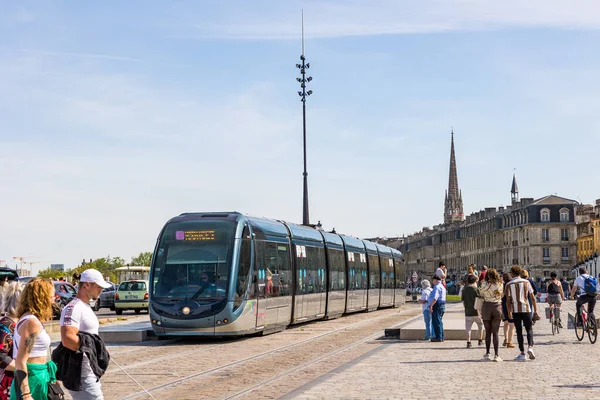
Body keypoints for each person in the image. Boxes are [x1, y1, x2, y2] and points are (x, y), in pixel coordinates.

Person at [54, 269, 111, 399]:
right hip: (81, 374)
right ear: (86, 284)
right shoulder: (73, 308)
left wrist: (100, 351)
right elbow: (67, 339)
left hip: (88, 372)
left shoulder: (85, 307)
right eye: (98, 287)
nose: (101, 290)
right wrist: (95, 349)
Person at [11, 278, 57, 400]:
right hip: (33, 378)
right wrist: (26, 394)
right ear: (42, 297)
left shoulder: (28, 318)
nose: (54, 299)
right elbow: (21, 361)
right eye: (51, 295)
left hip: (37, 375)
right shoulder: (32, 322)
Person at [506, 265, 539, 361]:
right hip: (526, 308)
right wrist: (536, 310)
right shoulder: (526, 282)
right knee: (529, 329)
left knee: (519, 331)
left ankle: (522, 353)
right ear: (520, 273)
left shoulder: (509, 284)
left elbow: (508, 300)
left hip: (516, 310)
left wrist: (509, 311)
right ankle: (530, 347)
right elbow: (532, 297)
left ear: (512, 273)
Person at [0, 282, 23, 400]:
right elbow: (1, 356)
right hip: (8, 384)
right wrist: (23, 369)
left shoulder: (18, 323)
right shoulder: (6, 324)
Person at [479, 268, 504, 361]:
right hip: (497, 307)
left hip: (487, 307)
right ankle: (497, 355)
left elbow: (481, 293)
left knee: (488, 332)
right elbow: (501, 295)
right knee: (496, 333)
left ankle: (488, 353)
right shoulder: (500, 284)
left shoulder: (484, 284)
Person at [461, 274, 483, 348]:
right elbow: (480, 301)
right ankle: (480, 340)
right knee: (480, 326)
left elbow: (463, 301)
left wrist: (466, 308)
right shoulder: (477, 290)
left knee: (468, 328)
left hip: (468, 312)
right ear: (475, 281)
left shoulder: (464, 290)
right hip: (477, 312)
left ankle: (468, 342)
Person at [428, 275, 446, 342]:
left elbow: (435, 298)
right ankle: (441, 336)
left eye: (433, 280)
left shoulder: (437, 287)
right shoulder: (442, 287)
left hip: (437, 305)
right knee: (440, 321)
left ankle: (438, 337)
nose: (432, 282)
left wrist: (431, 306)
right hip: (442, 305)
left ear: (435, 280)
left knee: (436, 321)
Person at [501, 273, 516, 349]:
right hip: (510, 305)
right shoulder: (511, 285)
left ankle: (506, 339)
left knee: (506, 323)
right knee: (512, 325)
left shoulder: (502, 285)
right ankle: (510, 342)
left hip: (503, 305)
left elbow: (501, 296)